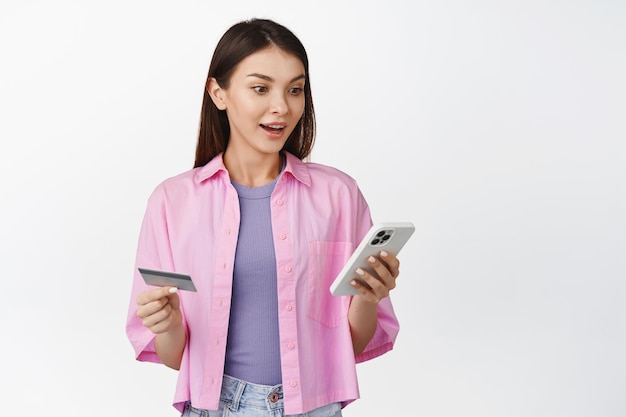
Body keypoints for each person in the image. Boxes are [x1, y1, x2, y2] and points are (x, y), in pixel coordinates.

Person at [126, 18, 401, 417]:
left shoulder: (339, 196)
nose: (282, 107)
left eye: (295, 89)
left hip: (315, 407)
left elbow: (351, 347)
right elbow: (175, 358)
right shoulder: (173, 202)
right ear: (218, 93)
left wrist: (368, 297)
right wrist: (166, 325)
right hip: (215, 408)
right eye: (260, 88)